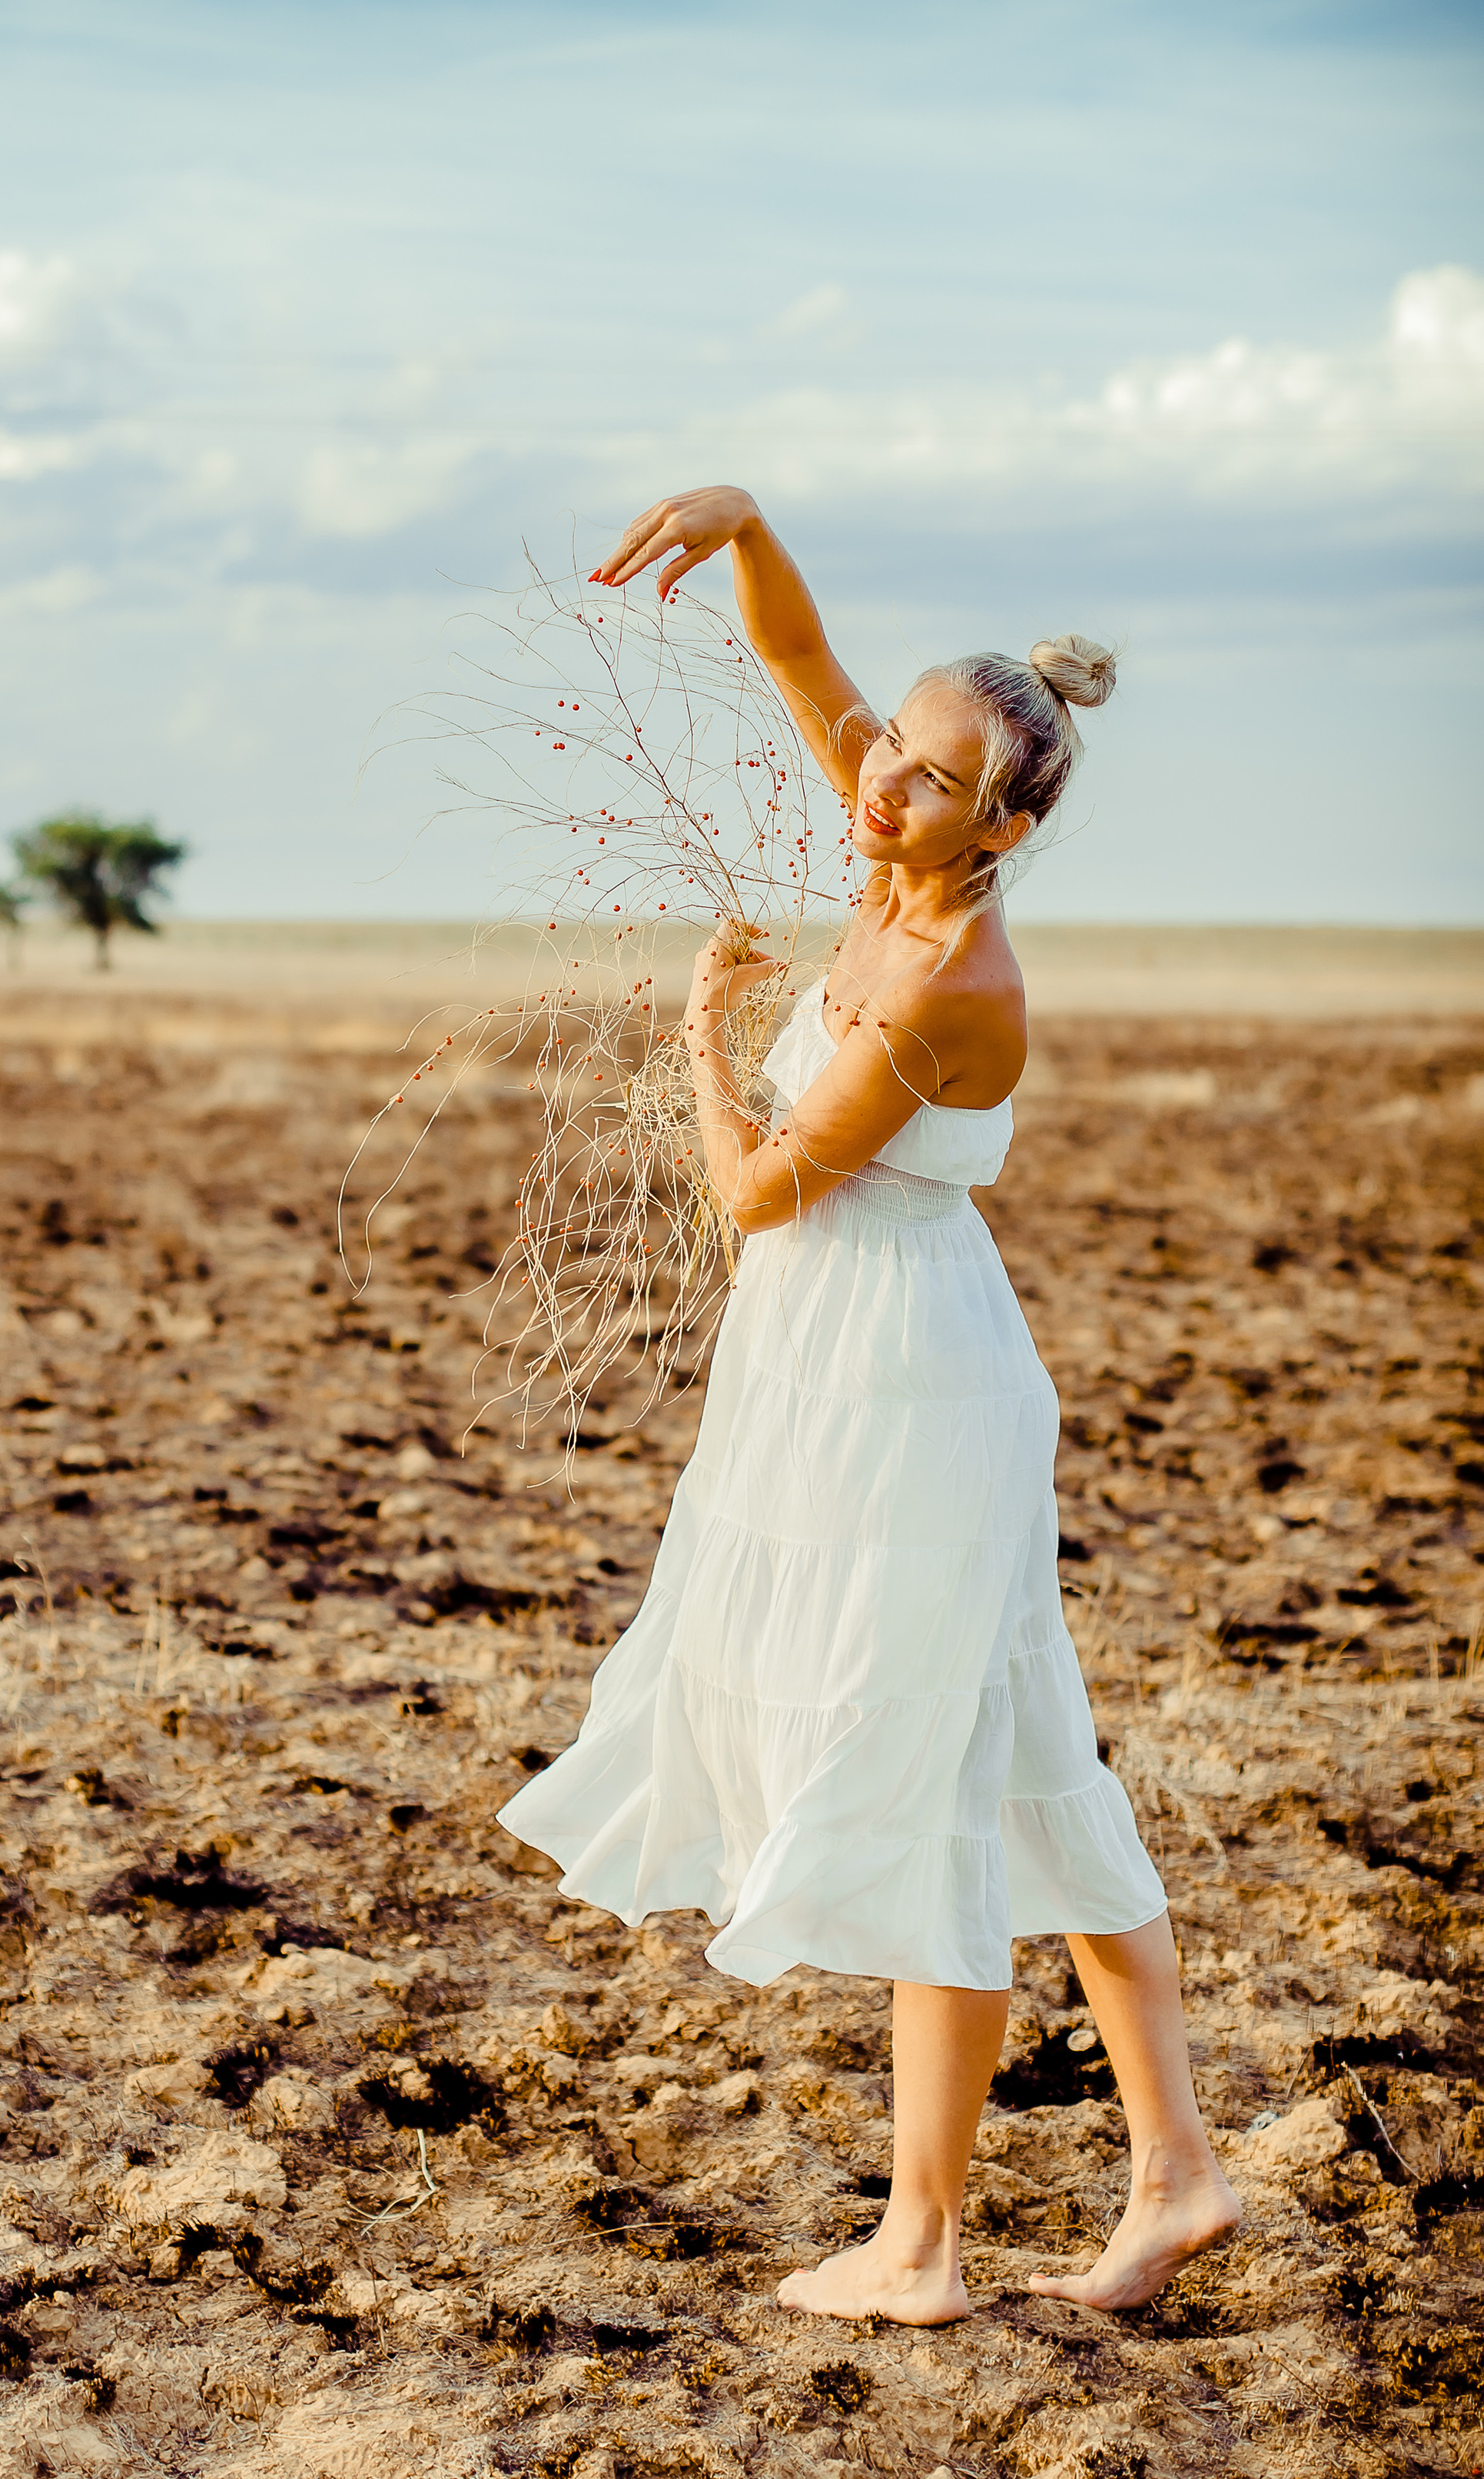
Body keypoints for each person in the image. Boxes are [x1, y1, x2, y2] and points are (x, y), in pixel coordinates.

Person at [498, 487, 1240, 2325]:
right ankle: (1176, 2170)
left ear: (1009, 820)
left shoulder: (944, 975)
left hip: (903, 1384)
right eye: (884, 751)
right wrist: (743, 521)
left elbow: (755, 1195)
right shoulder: (892, 835)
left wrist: (695, 1031)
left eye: (923, 775)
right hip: (848, 1363)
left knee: (939, 1789)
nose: (878, 783)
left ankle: (919, 2243)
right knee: (1016, 1760)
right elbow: (790, 654)